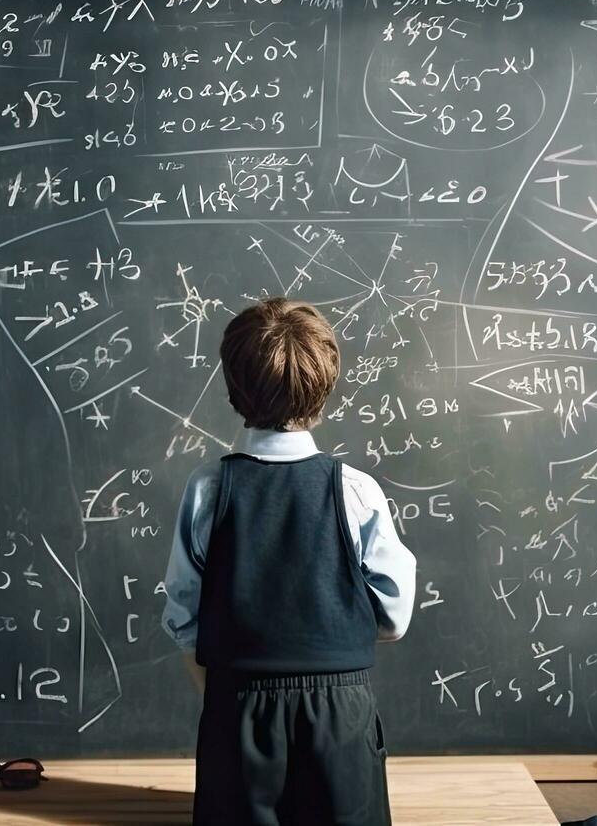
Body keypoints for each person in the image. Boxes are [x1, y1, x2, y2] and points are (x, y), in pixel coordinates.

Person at [161, 297, 417, 826]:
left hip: (238, 712)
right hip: (339, 719)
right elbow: (393, 619)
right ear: (324, 386)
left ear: (234, 389)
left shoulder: (209, 488)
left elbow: (184, 619)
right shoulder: (355, 491)